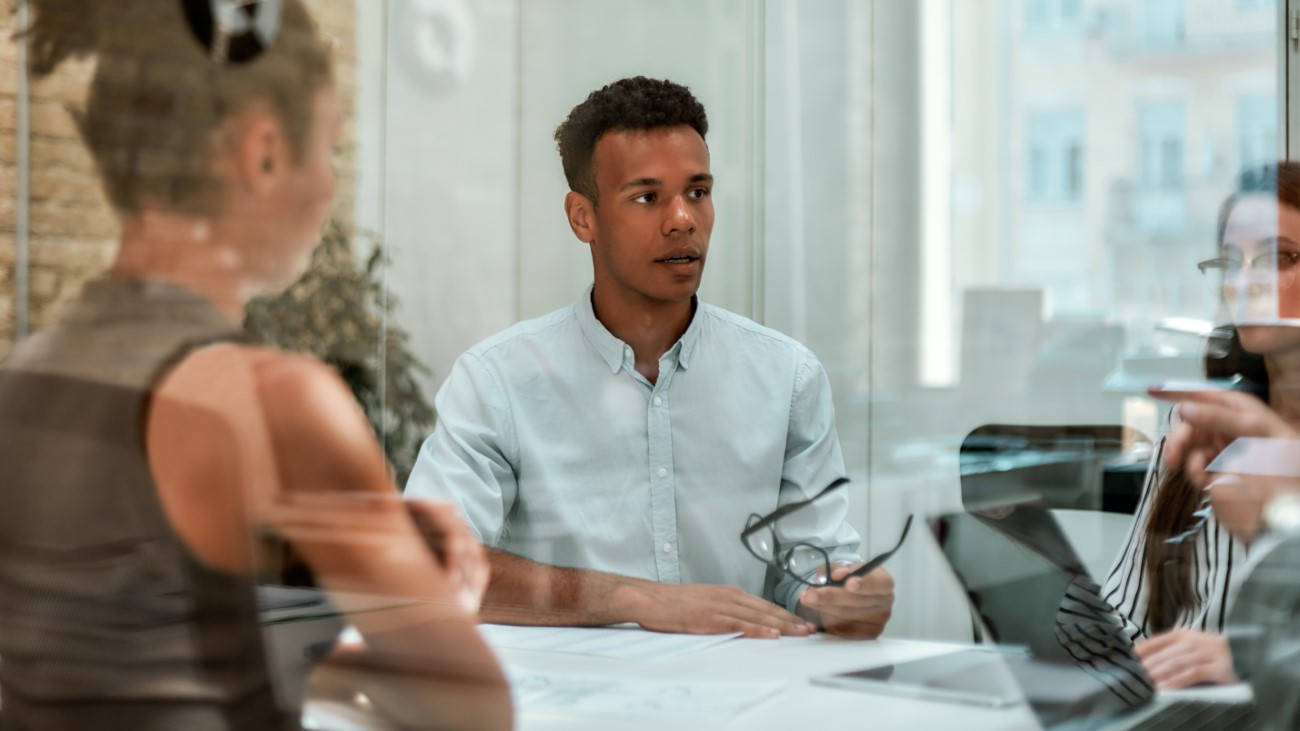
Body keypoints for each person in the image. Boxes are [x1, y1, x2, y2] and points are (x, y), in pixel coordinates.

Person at [0, 2, 509, 729]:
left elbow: (125, 643)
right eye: (329, 148)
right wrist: (425, 598)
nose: (332, 189)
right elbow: (473, 706)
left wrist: (334, 551)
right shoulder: (277, 402)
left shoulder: (21, 379)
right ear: (263, 150)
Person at [405, 76, 894, 640]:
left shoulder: (788, 378)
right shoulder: (498, 381)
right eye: (647, 197)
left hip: (736, 701)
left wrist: (843, 596)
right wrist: (633, 599)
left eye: (698, 192)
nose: (682, 219)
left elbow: (808, 574)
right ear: (582, 217)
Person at [1101, 162, 1300, 691]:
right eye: (1231, 262)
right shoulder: (1198, 420)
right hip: (1177, 708)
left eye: (1278, 257)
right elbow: (1127, 613)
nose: (1245, 281)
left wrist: (1253, 659)